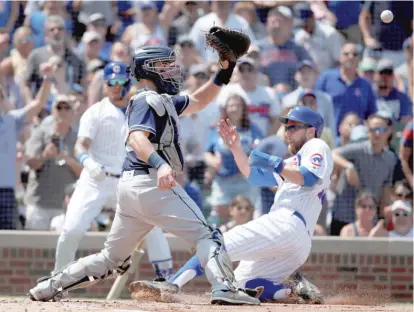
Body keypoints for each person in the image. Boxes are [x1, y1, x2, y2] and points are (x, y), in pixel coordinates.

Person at [29, 45, 259, 305]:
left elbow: (198, 100)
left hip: (132, 188)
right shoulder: (144, 98)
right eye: (165, 65)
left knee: (111, 260)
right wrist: (160, 164)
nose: (172, 69)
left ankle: (50, 286)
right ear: (148, 69)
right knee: (208, 236)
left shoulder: (162, 100)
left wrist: (223, 72)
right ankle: (225, 287)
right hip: (152, 182)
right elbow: (137, 137)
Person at [131, 106, 331, 303]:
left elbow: (309, 178)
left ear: (311, 130)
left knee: (214, 244)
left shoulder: (315, 145)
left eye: (293, 127)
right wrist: (236, 148)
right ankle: (293, 288)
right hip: (297, 242)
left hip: (287, 223)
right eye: (286, 128)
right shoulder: (293, 162)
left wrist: (273, 162)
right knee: (242, 284)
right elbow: (253, 175)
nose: (287, 132)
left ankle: (172, 284)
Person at [51, 62, 173, 281]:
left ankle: (165, 278)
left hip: (126, 180)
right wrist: (88, 163)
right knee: (72, 229)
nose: (117, 86)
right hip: (95, 178)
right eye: (112, 82)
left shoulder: (140, 110)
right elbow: (80, 145)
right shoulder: (95, 111)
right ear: (105, 84)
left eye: (122, 82)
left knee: (152, 224)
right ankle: (58, 278)